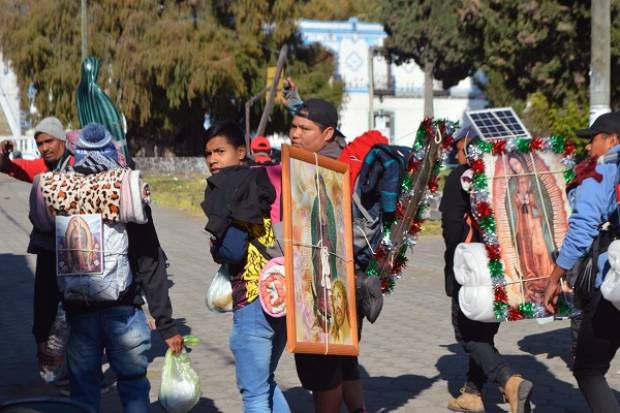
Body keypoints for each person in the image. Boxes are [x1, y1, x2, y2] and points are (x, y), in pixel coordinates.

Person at [31, 122, 184, 413]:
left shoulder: (60, 196)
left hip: (78, 317)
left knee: (84, 395)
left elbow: (47, 274)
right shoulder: (124, 195)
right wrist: (166, 324)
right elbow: (149, 262)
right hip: (124, 313)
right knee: (134, 388)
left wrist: (42, 331)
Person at [440, 127, 533, 413]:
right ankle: (472, 392)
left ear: (471, 148)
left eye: (458, 148)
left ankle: (509, 381)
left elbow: (452, 226)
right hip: (506, 263)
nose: (455, 154)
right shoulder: (507, 174)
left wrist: (454, 263)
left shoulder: (461, 176)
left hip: (472, 265)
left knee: (466, 334)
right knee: (484, 329)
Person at [201, 120, 290, 413]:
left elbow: (231, 250)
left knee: (253, 394)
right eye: (209, 153)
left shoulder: (226, 186)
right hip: (281, 297)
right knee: (265, 382)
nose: (213, 159)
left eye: (220, 151)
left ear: (241, 151)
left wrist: (216, 247)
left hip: (251, 300)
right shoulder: (261, 179)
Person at [288, 98, 367, 413]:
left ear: (328, 133)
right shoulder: (314, 161)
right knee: (344, 359)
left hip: (324, 287)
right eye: (294, 126)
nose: (295, 133)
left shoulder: (328, 170)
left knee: (323, 370)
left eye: (304, 128)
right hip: (342, 288)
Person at [544, 112, 620, 413]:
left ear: (612, 139)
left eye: (594, 139)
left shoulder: (605, 169)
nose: (589, 148)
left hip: (613, 286)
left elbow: (583, 228)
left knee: (589, 368)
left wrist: (554, 277)